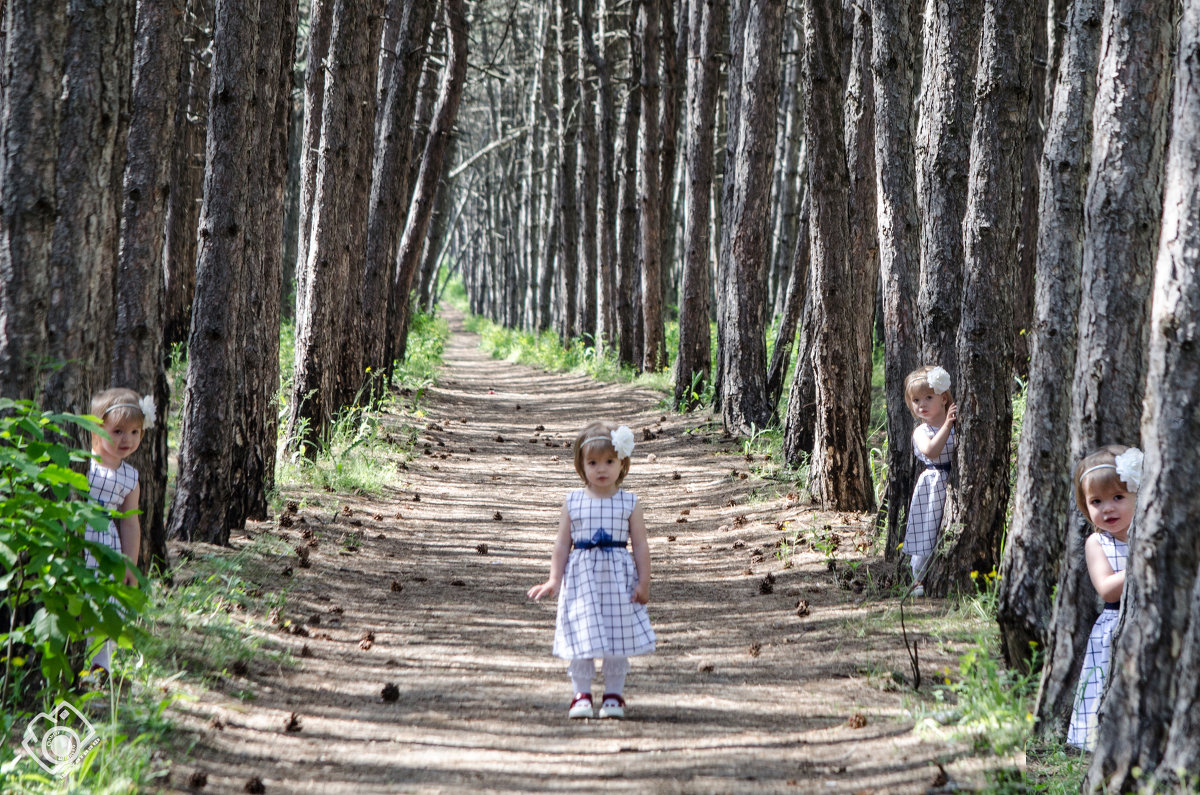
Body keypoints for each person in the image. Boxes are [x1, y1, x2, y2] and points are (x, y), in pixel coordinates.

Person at [528, 422, 655, 719]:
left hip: (618, 579)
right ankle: (580, 694)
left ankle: (614, 695)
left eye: (609, 461)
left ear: (622, 462)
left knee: (616, 635)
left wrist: (644, 581)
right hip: (581, 578)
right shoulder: (573, 501)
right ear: (581, 465)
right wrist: (554, 579)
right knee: (580, 634)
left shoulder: (629, 502)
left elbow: (640, 545)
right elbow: (562, 543)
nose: (602, 469)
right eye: (593, 462)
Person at [1067, 444, 1140, 750]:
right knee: (1105, 683)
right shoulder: (1097, 543)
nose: (1108, 508)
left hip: (1154, 622)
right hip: (1114, 626)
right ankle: (1097, 739)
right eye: (1097, 501)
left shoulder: (1152, 534)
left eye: (1118, 498)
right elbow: (1107, 588)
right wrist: (1142, 566)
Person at [85, 387, 153, 676]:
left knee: (105, 605)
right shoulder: (83, 463)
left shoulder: (130, 477)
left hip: (107, 546)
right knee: (78, 600)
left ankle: (100, 666)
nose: (128, 439)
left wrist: (129, 563)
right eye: (118, 431)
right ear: (96, 428)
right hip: (79, 538)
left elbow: (129, 522)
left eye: (135, 432)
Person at [901, 365, 958, 596]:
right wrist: (947, 425)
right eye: (916, 400)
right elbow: (932, 451)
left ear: (944, 399)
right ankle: (919, 579)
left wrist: (951, 424)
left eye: (928, 397)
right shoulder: (921, 431)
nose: (921, 405)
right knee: (927, 530)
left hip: (955, 481)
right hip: (933, 484)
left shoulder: (957, 424)